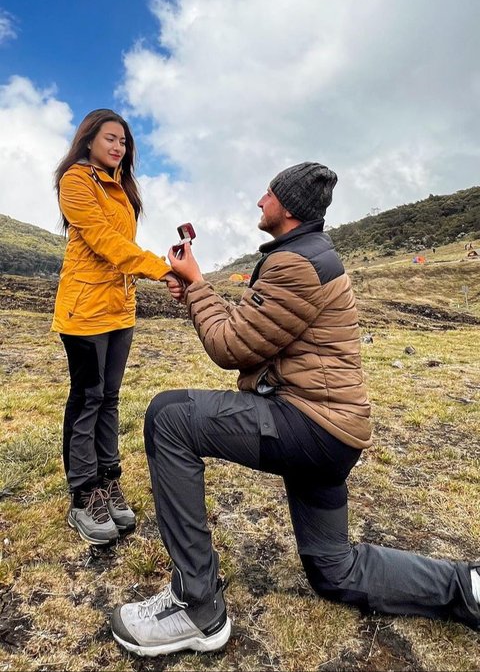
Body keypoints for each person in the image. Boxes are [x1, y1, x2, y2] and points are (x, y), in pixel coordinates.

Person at [111, 162, 480, 657]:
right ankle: (468, 587)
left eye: (268, 193)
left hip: (311, 426)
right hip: (332, 430)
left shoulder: (295, 264)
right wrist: (195, 290)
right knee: (334, 570)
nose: (259, 200)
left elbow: (230, 347)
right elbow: (251, 329)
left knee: (168, 417)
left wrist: (197, 284)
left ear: (285, 206)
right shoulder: (307, 255)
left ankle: (195, 607)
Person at [52, 108, 174, 546]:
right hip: (84, 311)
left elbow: (124, 245)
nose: (118, 146)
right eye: (110, 138)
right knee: (86, 398)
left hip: (119, 309)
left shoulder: (121, 187)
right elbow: (105, 242)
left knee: (109, 397)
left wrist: (153, 271)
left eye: (123, 141)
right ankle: (83, 493)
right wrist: (160, 269)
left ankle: (107, 479)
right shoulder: (76, 181)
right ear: (88, 141)